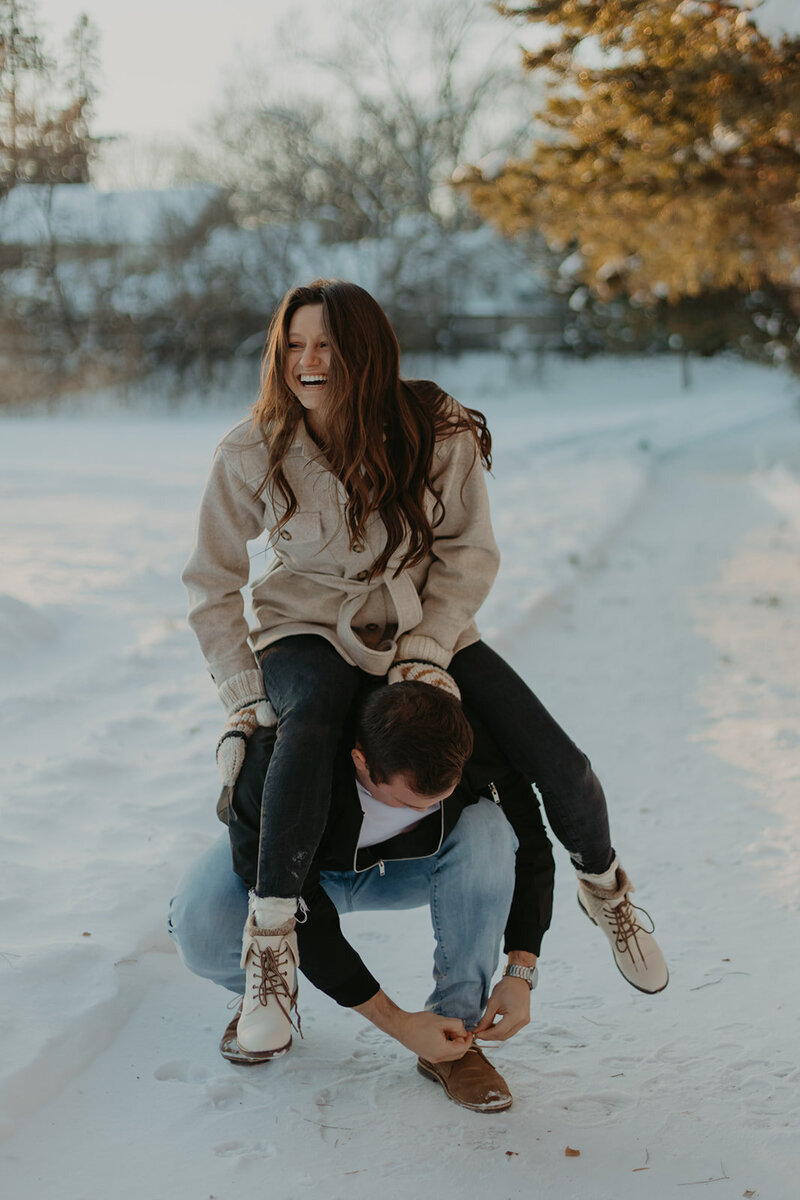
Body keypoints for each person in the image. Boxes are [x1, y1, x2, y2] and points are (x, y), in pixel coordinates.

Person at [181, 278, 667, 1060]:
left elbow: (469, 553)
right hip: (306, 628)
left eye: (328, 348)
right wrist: (243, 698)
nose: (308, 363)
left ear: (365, 355)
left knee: (559, 764)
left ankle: (607, 890)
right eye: (295, 345)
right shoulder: (253, 448)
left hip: (421, 623)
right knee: (306, 728)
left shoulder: (435, 430)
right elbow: (210, 583)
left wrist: (427, 652)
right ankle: (271, 938)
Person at [170, 681, 557, 1112]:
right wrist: (398, 1024)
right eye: (410, 803)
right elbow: (294, 906)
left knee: (490, 828)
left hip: (401, 871)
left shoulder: (468, 745)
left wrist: (521, 969)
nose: (421, 811)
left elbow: (533, 845)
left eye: (436, 801)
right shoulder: (274, 764)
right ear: (361, 760)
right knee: (198, 920)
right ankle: (265, 988)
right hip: (288, 876)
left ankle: (453, 1038)